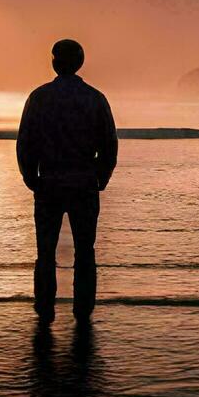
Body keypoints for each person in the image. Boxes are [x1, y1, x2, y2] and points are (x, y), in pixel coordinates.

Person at [17, 39, 118, 324]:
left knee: (45, 252)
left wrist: (30, 177)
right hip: (84, 183)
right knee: (85, 251)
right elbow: (109, 144)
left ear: (54, 62)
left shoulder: (39, 98)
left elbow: (26, 142)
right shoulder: (94, 98)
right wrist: (101, 176)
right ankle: (83, 311)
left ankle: (45, 309)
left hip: (49, 183)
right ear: (80, 62)